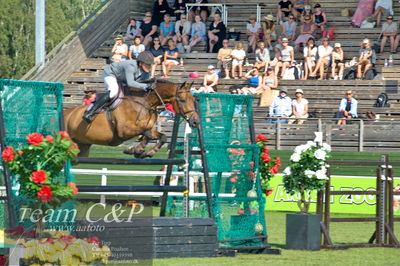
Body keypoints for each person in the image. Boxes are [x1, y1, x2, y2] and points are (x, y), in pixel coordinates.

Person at [82, 52, 155, 123]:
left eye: (150, 65)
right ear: (141, 63)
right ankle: (90, 112)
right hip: (110, 74)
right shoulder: (131, 66)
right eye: (148, 64)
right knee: (113, 92)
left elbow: (145, 83)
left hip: (122, 79)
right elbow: (131, 83)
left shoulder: (146, 73)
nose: (150, 67)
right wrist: (146, 86)